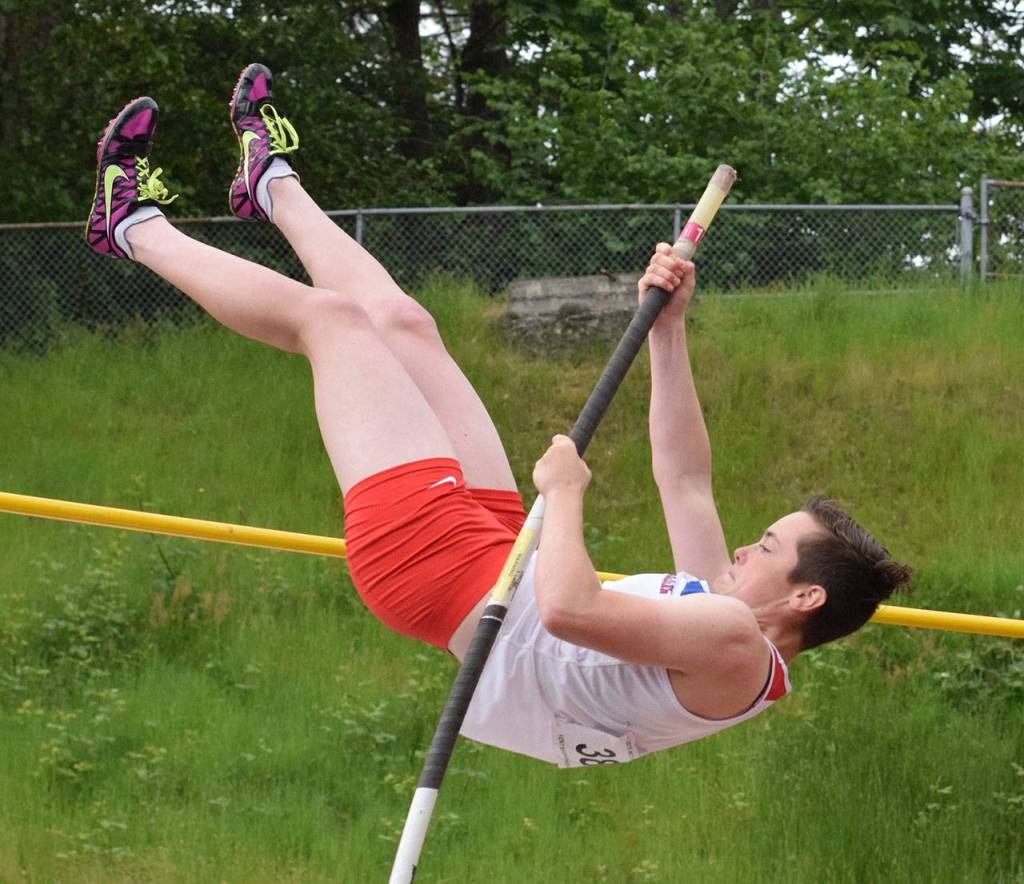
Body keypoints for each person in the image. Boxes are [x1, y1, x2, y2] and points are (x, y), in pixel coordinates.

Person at [85, 64, 911, 768]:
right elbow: (687, 480)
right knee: (406, 325)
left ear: (803, 599)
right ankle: (268, 179)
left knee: (331, 325)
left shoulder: (736, 642)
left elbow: (569, 610)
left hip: (442, 578)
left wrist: (569, 492)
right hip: (494, 556)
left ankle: (133, 226)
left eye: (766, 546)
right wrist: (669, 331)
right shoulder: (723, 614)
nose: (742, 546)